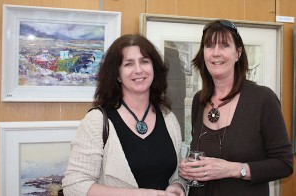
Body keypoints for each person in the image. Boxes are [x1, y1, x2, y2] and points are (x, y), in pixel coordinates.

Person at [179, 20, 293, 196]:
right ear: (203, 53)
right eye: (209, 46)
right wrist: (189, 169)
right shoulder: (199, 100)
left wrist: (233, 169)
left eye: (224, 45)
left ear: (238, 53)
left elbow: (284, 164)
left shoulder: (263, 99)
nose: (216, 53)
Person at [62, 34, 185, 196]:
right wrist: (143, 194)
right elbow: (74, 185)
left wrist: (178, 186)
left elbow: (176, 174)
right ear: (117, 75)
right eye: (128, 64)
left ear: (154, 68)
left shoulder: (168, 118)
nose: (138, 70)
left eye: (144, 61)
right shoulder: (97, 121)